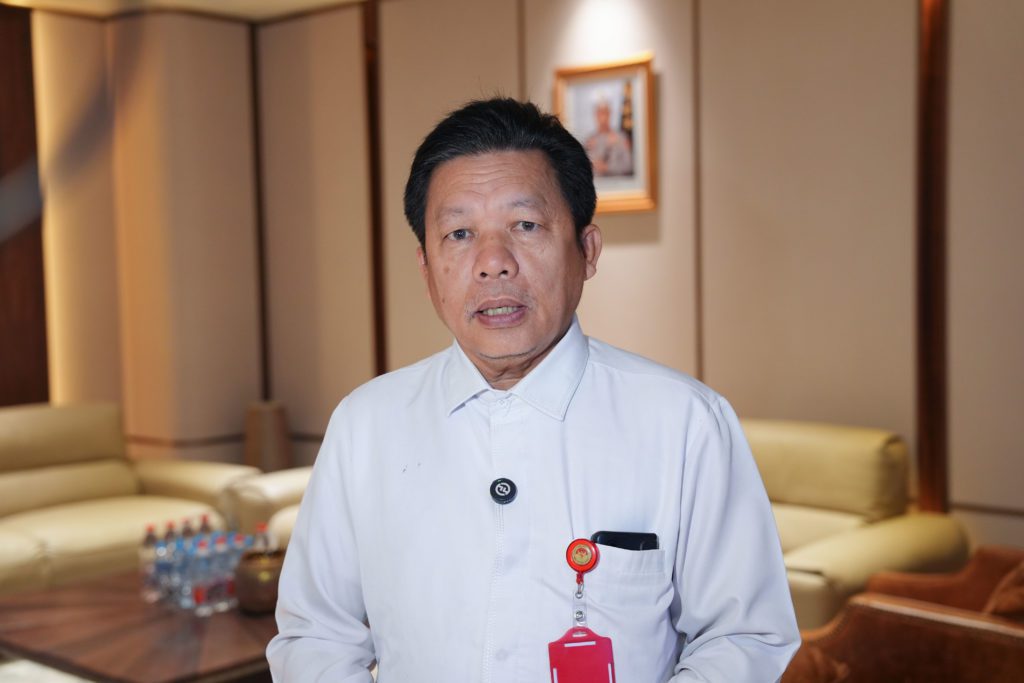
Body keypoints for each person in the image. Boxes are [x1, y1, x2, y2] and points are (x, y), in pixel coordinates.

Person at [267, 98, 799, 682]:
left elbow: (743, 638)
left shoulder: (685, 422)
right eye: (460, 233)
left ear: (587, 251)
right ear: (426, 269)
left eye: (525, 226)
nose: (493, 263)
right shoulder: (366, 424)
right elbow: (315, 636)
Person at [584, 98, 633, 176]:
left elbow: (628, 165)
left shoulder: (620, 138)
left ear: (610, 114)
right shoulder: (589, 141)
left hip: (616, 182)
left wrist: (607, 167)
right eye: (599, 113)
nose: (602, 117)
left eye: (605, 112)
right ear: (595, 115)